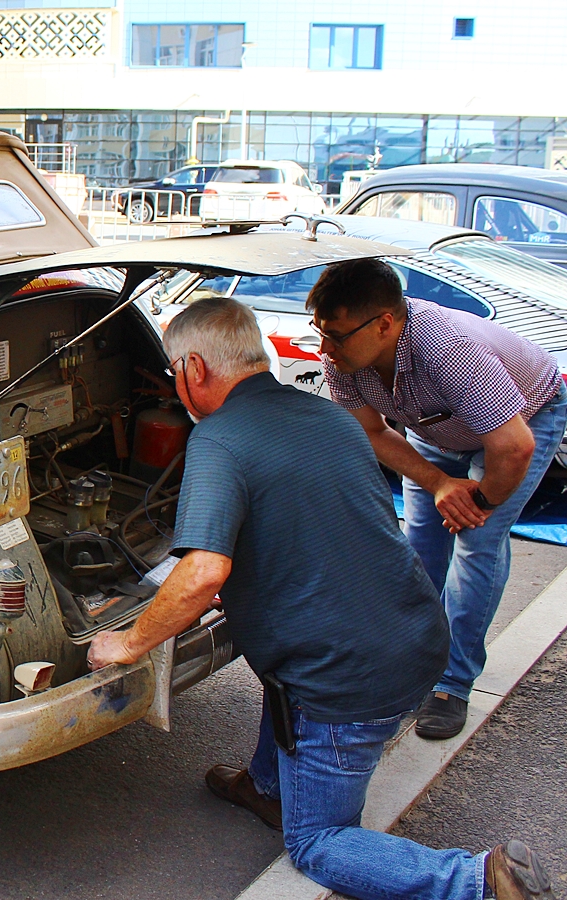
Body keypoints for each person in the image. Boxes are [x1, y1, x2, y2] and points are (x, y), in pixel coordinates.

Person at [86, 297, 553, 900]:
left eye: (176, 372)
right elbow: (312, 527)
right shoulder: (329, 416)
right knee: (285, 665)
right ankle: (265, 785)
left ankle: (480, 882)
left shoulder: (220, 440)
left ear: (194, 370)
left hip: (351, 685)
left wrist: (126, 643)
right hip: (417, 641)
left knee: (318, 841)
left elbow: (202, 574)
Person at [310, 259, 567, 741]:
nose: (326, 347)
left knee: (476, 543)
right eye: (320, 331)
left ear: (385, 323)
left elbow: (514, 446)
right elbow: (370, 432)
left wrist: (480, 502)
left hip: (525, 420)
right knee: (421, 544)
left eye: (338, 335)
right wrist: (439, 484)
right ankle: (415, 661)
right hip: (437, 428)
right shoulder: (342, 358)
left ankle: (453, 682)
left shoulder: (448, 351)